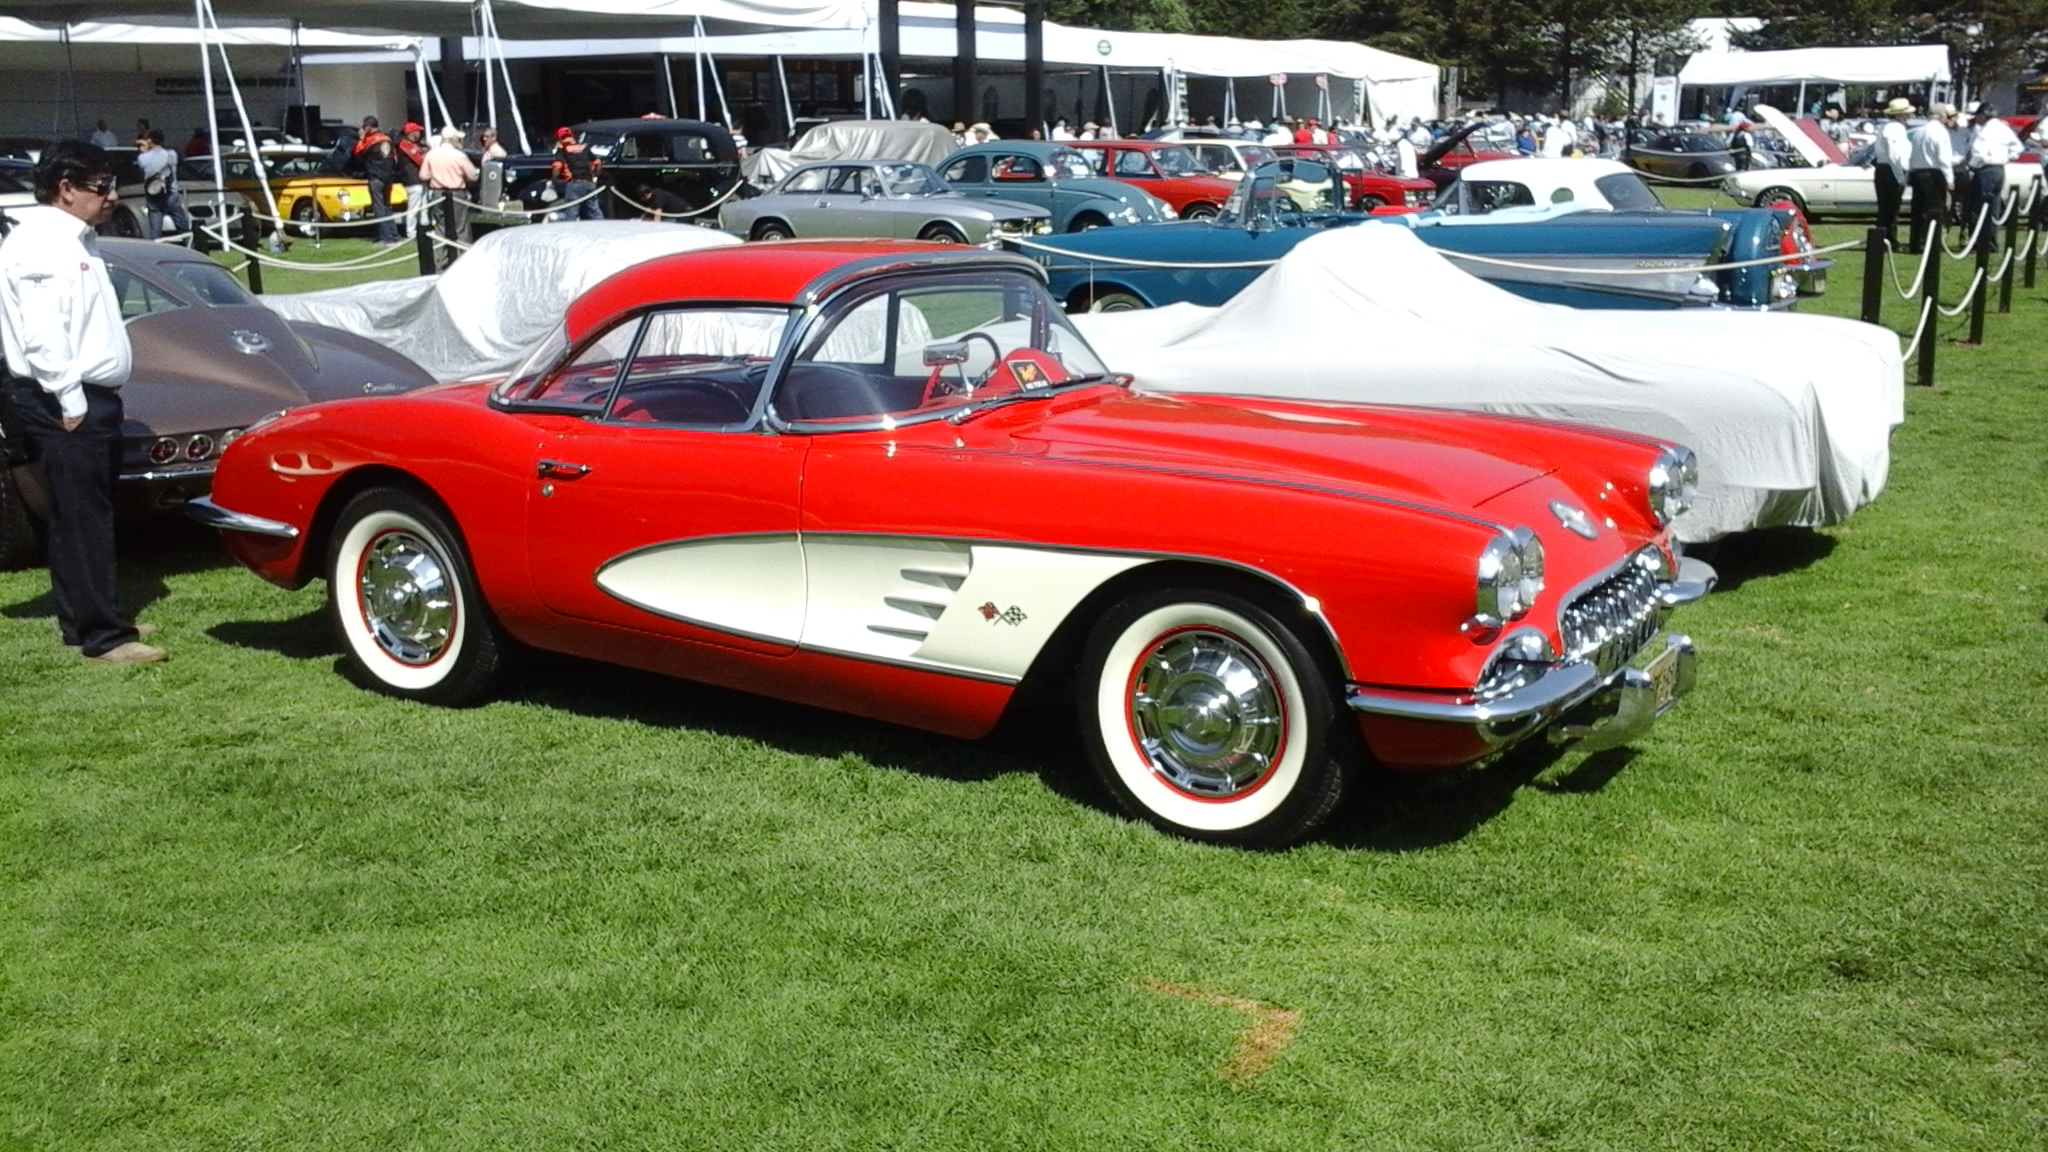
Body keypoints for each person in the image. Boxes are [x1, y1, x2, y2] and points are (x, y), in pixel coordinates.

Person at [0, 141, 162, 664]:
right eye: (101, 186)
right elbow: (43, 333)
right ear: (65, 188)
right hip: (64, 397)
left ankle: (85, 619)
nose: (111, 195)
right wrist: (70, 400)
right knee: (84, 518)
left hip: (85, 395)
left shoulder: (74, 239)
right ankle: (103, 635)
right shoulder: (42, 245)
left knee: (78, 516)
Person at [1962, 103, 2021, 252]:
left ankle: (1979, 242)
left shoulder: (1984, 131)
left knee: (1979, 208)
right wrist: (2007, 157)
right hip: (1999, 169)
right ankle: (1991, 242)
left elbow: (1978, 153)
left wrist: (1971, 165)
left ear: (1982, 116)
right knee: (1993, 208)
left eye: (1977, 116)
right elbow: (2017, 148)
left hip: (1985, 170)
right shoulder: (2003, 128)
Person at [1905, 103, 1957, 256]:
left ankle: (1916, 243)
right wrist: (1949, 178)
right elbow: (1944, 157)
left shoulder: (1919, 131)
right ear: (1942, 116)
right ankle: (1930, 243)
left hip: (1917, 173)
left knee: (1918, 210)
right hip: (1933, 173)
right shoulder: (1940, 132)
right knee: (1934, 210)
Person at [419, 126, 478, 258]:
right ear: (453, 139)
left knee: (440, 228)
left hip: (437, 193)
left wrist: (436, 176)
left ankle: (440, 260)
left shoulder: (431, 155)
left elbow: (423, 175)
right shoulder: (459, 155)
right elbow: (473, 175)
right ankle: (464, 258)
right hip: (457, 193)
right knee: (461, 228)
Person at [1870, 97, 1913, 250]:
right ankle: (1887, 239)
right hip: (1890, 170)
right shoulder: (1895, 128)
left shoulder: (1888, 127)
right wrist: (1900, 176)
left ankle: (1884, 239)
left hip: (1885, 169)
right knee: (1890, 208)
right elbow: (1894, 154)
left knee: (1887, 208)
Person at [133, 129, 190, 243]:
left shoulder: (142, 158)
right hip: (171, 192)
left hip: (153, 193)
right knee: (182, 226)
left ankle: (157, 247)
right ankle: (188, 243)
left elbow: (142, 172)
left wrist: (145, 150)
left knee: (155, 231)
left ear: (149, 140)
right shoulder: (172, 154)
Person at [351, 115, 399, 244]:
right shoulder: (388, 139)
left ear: (368, 127)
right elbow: (395, 159)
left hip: (376, 177)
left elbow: (357, 153)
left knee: (379, 207)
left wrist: (361, 139)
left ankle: (386, 237)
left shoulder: (370, 141)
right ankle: (394, 234)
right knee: (387, 206)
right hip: (388, 177)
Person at [548, 126, 604, 222]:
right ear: (572, 135)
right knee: (595, 213)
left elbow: (557, 167)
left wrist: (553, 181)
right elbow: (598, 163)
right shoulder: (583, 147)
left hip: (574, 184)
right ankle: (603, 229)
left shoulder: (562, 149)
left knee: (572, 215)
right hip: (589, 183)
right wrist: (595, 177)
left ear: (560, 137)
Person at [394, 121, 427, 238]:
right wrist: (425, 155)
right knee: (414, 209)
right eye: (417, 131)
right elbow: (420, 160)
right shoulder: (405, 145)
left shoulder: (415, 145)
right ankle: (411, 232)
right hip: (413, 181)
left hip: (419, 180)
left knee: (423, 208)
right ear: (411, 133)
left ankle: (424, 230)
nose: (419, 133)